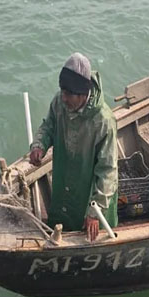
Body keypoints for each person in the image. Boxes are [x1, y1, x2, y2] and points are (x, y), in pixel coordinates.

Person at [29, 53, 118, 241]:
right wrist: (39, 145)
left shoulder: (104, 122)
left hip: (88, 194)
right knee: (60, 220)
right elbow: (48, 126)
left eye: (69, 94)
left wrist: (95, 210)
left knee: (90, 231)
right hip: (64, 181)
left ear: (83, 94)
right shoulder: (60, 102)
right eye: (62, 90)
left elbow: (108, 171)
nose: (63, 97)